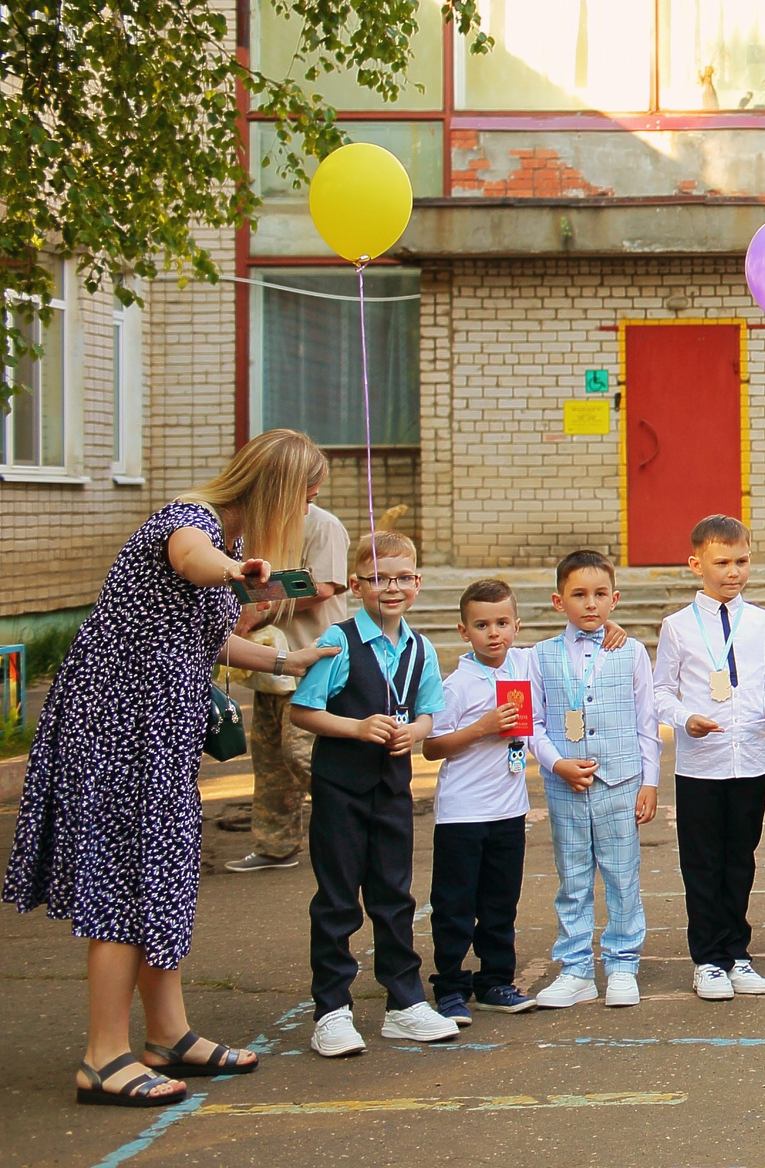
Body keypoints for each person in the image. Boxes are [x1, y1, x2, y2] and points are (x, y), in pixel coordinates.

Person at [6, 428, 339, 1105]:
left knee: (165, 870)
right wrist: (233, 573)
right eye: (306, 496)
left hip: (160, 729)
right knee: (129, 875)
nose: (307, 511)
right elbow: (191, 561)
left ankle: (169, 1034)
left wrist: (288, 661)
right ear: (279, 490)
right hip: (120, 727)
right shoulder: (192, 523)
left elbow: (209, 637)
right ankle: (104, 1055)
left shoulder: (235, 541)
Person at [289, 529, 458, 1057]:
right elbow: (302, 710)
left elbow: (429, 711)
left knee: (394, 895)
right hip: (341, 788)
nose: (392, 588)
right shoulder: (337, 643)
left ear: (417, 583)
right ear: (357, 585)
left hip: (392, 790)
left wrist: (419, 730)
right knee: (338, 899)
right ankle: (332, 1009)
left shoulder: (421, 647)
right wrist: (358, 728)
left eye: (403, 578)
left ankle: (404, 1003)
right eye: (380, 578)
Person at [655, 514, 765, 1002]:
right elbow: (660, 693)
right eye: (722, 563)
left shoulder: (762, 622)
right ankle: (708, 958)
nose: (733, 572)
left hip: (750, 758)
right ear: (697, 565)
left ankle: (737, 953)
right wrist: (685, 718)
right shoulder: (676, 627)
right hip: (700, 763)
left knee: (741, 859)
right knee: (703, 862)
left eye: (741, 561)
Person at [527, 550, 658, 1009]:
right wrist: (555, 762)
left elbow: (647, 721)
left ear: (615, 599)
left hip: (620, 781)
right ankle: (577, 968)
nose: (590, 604)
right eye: (578, 594)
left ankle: (623, 963)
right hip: (565, 784)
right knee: (573, 877)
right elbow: (533, 724)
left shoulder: (633, 651)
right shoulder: (538, 656)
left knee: (623, 876)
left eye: (600, 594)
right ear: (558, 601)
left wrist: (650, 780)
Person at [421, 579, 539, 1022]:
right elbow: (432, 747)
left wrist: (611, 632)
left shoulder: (522, 666)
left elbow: (568, 641)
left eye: (503, 623)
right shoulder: (457, 685)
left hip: (509, 809)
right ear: (463, 630)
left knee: (499, 902)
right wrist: (483, 727)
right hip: (462, 813)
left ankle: (495, 981)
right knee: (454, 904)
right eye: (482, 625)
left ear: (516, 625)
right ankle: (450, 987)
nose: (495, 633)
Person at [224, 485, 349, 874]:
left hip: (311, 658)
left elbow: (325, 587)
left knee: (302, 754)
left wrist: (260, 611)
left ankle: (355, 825)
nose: (308, 499)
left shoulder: (324, 526)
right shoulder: (259, 528)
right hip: (269, 661)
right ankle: (275, 846)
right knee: (270, 754)